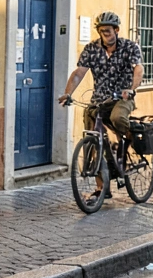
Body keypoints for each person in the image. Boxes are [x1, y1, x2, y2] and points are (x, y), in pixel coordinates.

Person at [59, 12, 143, 200]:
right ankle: (101, 188)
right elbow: (79, 73)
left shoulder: (129, 47)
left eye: (108, 31)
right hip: (99, 99)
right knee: (94, 138)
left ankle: (130, 140)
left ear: (116, 30)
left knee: (117, 118)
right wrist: (68, 93)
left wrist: (131, 89)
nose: (104, 34)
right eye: (101, 31)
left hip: (122, 97)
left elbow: (138, 69)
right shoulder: (91, 49)